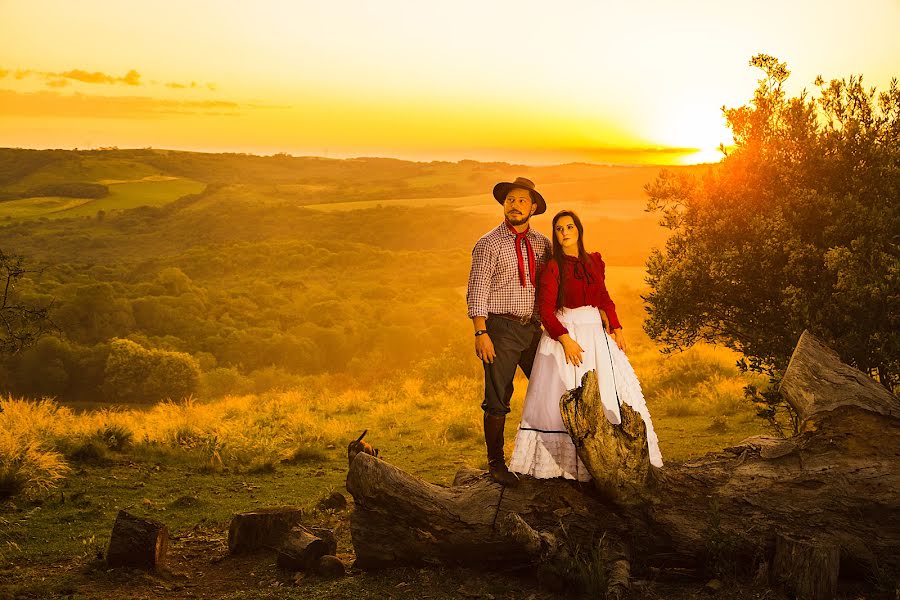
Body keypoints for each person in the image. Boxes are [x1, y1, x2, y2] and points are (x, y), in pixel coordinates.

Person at [509, 210, 663, 481]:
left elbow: (604, 297)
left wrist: (616, 328)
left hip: (597, 335)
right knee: (567, 396)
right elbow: (545, 311)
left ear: (578, 229)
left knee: (607, 391)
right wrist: (565, 339)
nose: (565, 232)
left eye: (569, 226)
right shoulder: (553, 267)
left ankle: (615, 456)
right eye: (559, 229)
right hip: (567, 334)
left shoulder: (594, 261)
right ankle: (566, 465)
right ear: (555, 235)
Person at [467, 177, 552, 486]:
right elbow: (477, 289)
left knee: (550, 387)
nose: (515, 205)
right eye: (510, 200)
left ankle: (549, 455)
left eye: (521, 201)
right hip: (500, 329)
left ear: (532, 207)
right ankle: (496, 464)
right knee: (497, 397)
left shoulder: (542, 243)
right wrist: (481, 332)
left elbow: (553, 284)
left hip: (533, 329)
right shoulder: (488, 243)